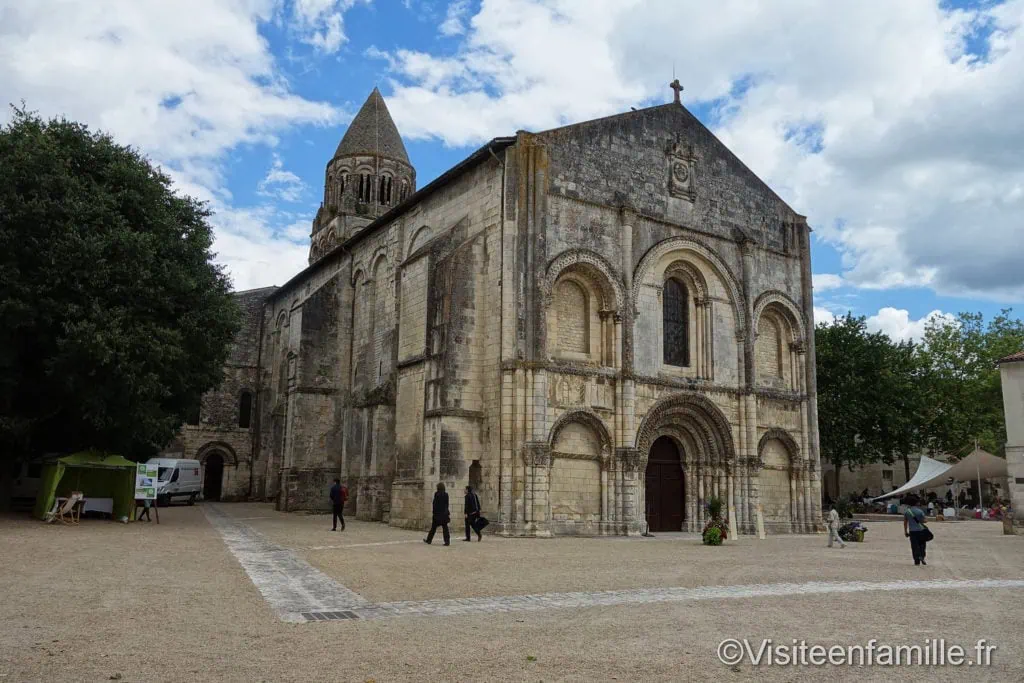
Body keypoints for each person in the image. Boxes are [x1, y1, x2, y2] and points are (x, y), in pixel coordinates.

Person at [903, 495, 929, 566]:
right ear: (916, 503)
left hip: (912, 531)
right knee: (922, 544)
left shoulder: (907, 512)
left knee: (914, 546)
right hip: (921, 530)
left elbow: (905, 523)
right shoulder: (920, 511)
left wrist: (905, 531)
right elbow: (925, 520)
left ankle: (916, 560)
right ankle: (922, 556)